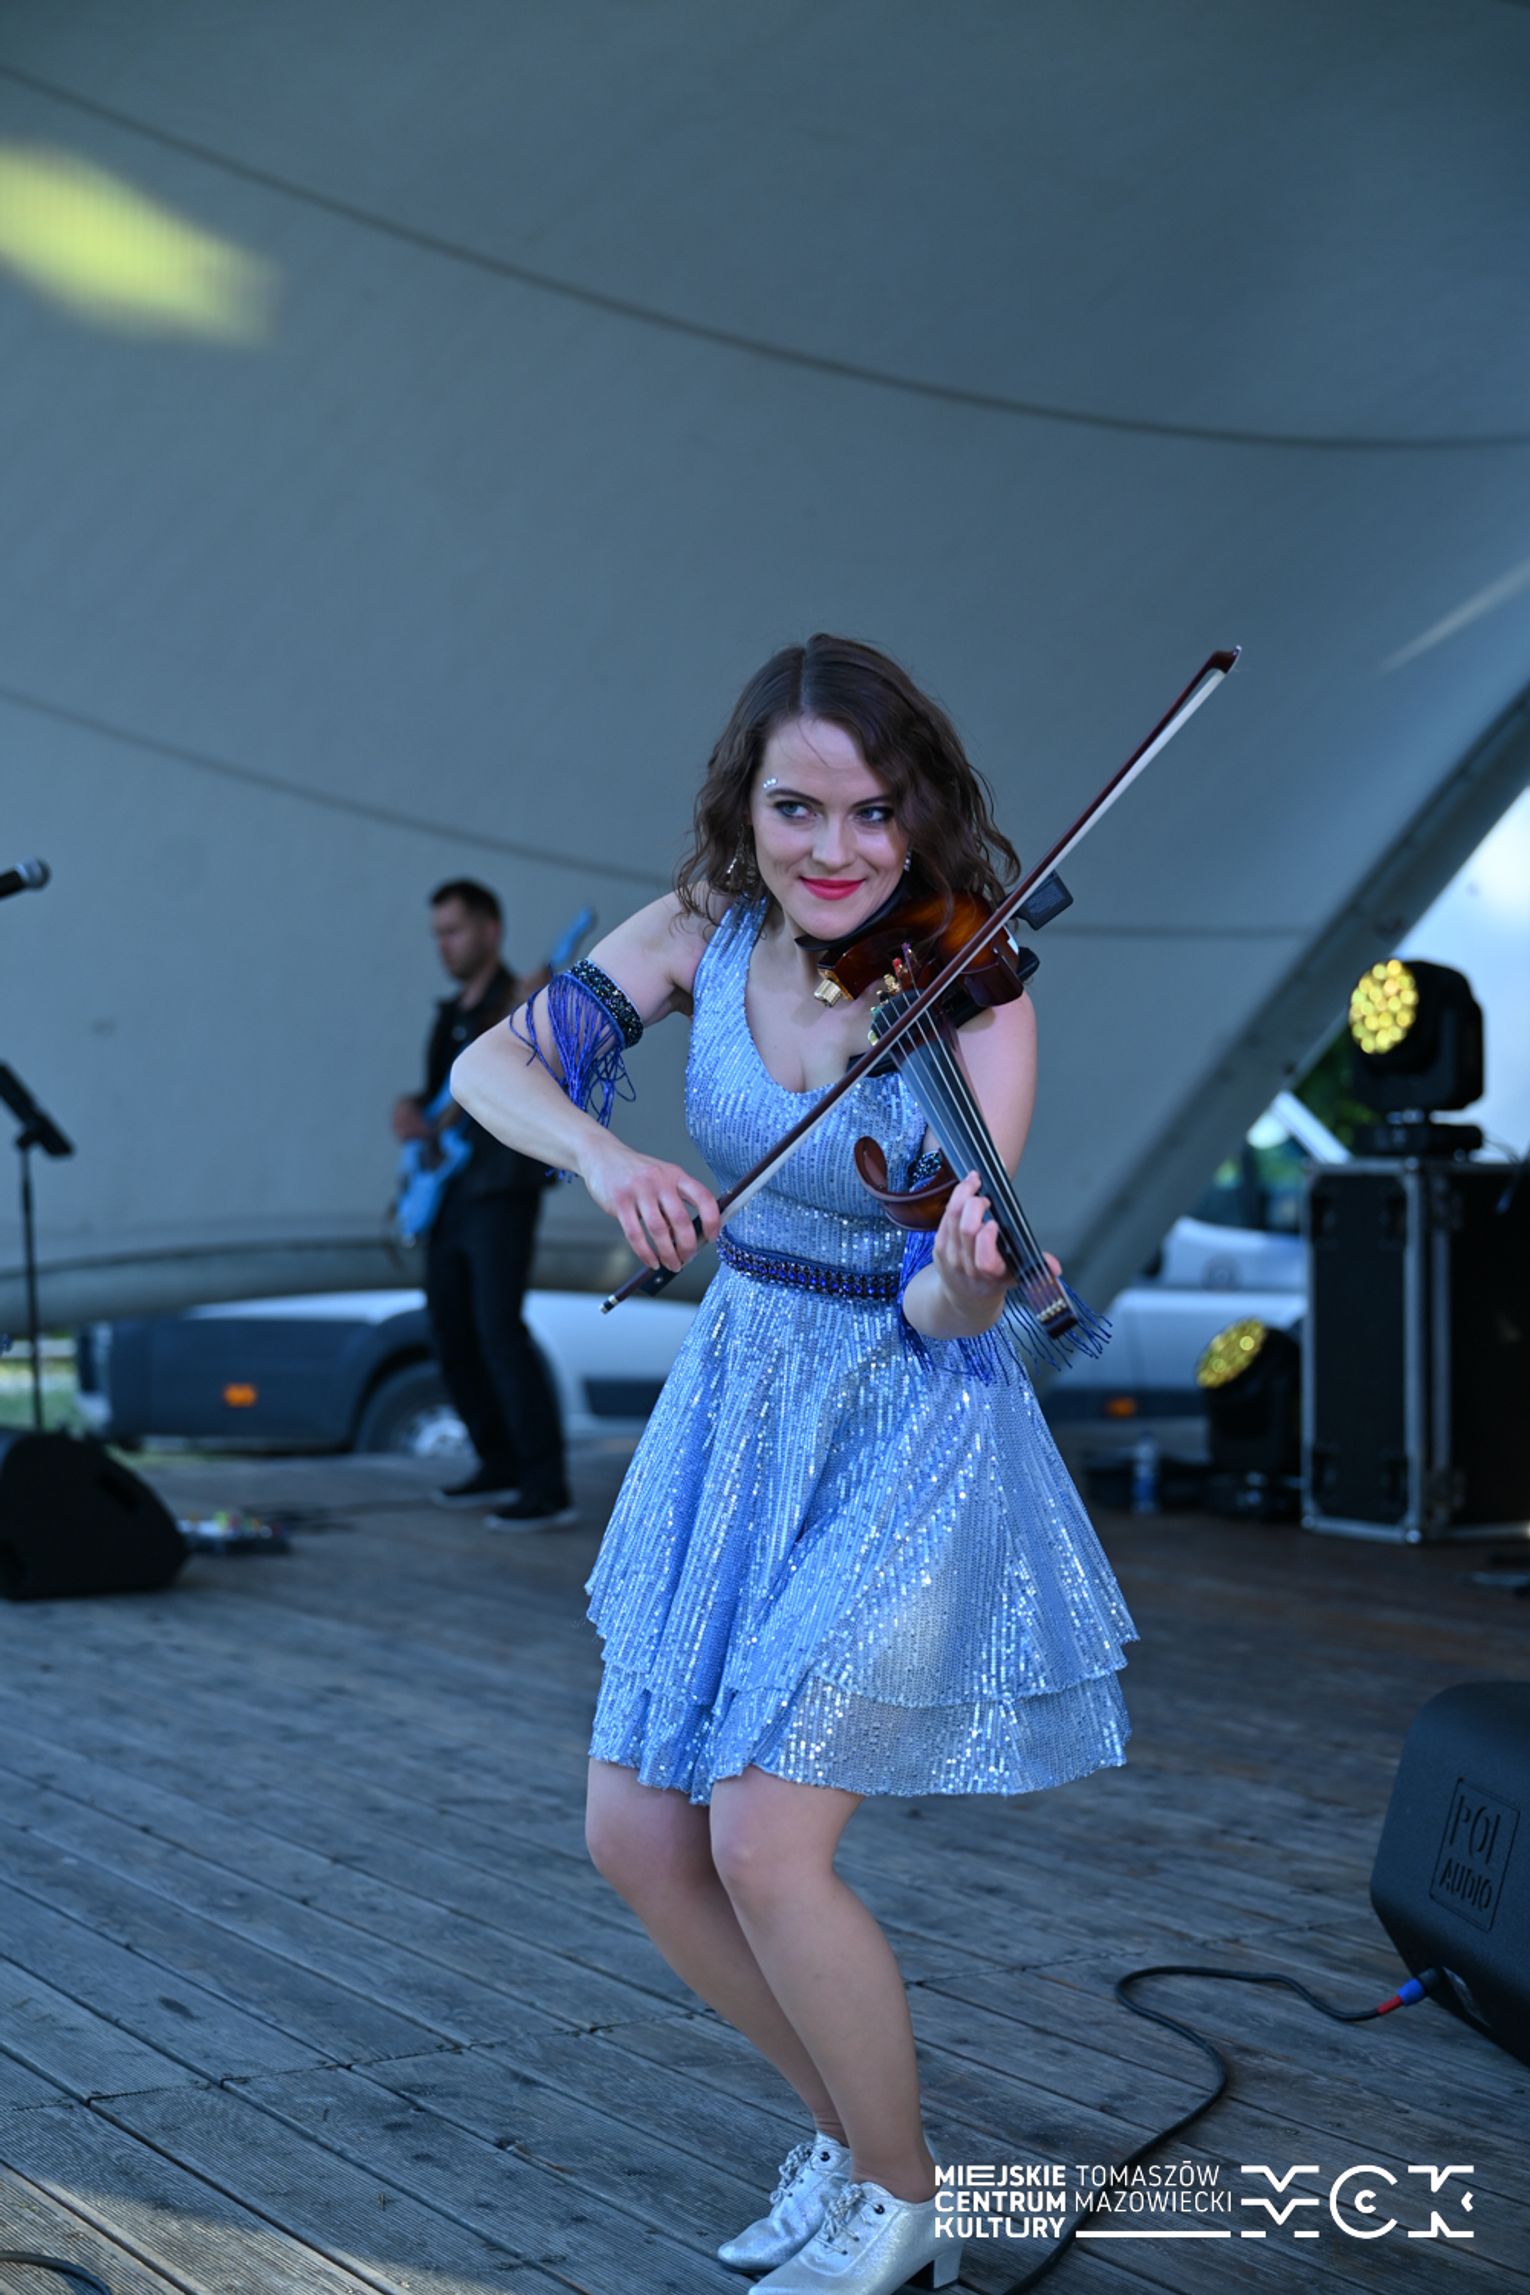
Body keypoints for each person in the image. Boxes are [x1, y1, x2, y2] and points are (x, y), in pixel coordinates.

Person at [450, 637, 1136, 2294]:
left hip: (904, 1416)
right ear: (742, 808)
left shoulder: (974, 986)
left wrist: (971, 1271)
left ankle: (902, 2198)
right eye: (797, 809)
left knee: (762, 1836)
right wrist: (606, 1157)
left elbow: (938, 1296)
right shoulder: (704, 925)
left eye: (873, 812)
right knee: (636, 1833)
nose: (836, 850)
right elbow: (490, 1067)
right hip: (742, 1399)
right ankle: (848, 2141)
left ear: (920, 813)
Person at [392, 878, 574, 1528]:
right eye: (437, 933)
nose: (443, 944)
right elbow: (438, 1099)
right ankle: (496, 1460)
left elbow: (552, 1073)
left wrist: (536, 1014)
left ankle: (545, 1484)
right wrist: (411, 1110)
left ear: (490, 931)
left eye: (454, 930)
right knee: (450, 1329)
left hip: (501, 1186)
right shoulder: (448, 1017)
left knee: (498, 1328)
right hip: (449, 1195)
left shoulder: (521, 999)